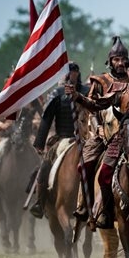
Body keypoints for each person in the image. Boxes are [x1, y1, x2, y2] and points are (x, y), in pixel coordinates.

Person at [67, 50, 129, 229]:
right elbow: (96, 105)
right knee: (103, 175)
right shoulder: (119, 92)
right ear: (127, 71)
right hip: (122, 138)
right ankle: (106, 212)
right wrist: (78, 97)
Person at [28, 62, 89, 218]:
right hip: (62, 139)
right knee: (44, 166)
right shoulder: (56, 94)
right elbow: (47, 119)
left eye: (73, 70)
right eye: (67, 71)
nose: (70, 74)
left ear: (78, 73)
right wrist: (40, 143)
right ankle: (40, 203)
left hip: (86, 140)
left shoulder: (87, 92)